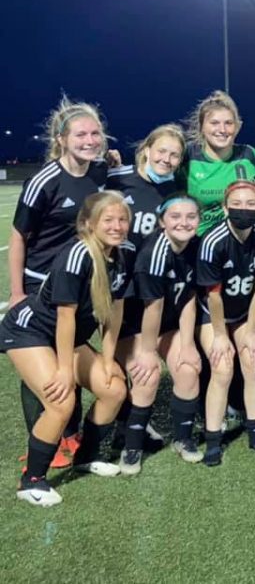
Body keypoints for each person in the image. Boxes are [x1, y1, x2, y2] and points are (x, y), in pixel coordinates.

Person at [2, 191, 132, 506]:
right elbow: (65, 318)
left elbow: (114, 314)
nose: (117, 226)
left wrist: (105, 358)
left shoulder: (122, 254)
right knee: (61, 401)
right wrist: (63, 370)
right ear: (88, 223)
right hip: (30, 330)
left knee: (113, 388)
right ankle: (31, 480)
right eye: (108, 220)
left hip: (63, 335)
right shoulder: (77, 255)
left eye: (122, 219)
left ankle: (87, 455)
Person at [9, 96, 111, 467]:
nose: (89, 140)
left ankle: (70, 436)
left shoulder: (100, 173)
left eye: (95, 133)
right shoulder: (45, 180)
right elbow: (19, 236)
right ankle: (43, 436)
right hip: (41, 286)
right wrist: (19, 292)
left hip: (81, 282)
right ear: (62, 139)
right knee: (42, 360)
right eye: (81, 134)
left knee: (71, 348)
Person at [114, 193, 204, 473]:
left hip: (169, 324)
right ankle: (132, 447)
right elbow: (152, 309)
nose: (184, 223)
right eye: (175, 217)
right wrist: (148, 352)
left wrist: (188, 344)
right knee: (147, 376)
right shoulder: (153, 255)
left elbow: (189, 297)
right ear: (162, 221)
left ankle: (183, 439)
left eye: (191, 217)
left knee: (188, 368)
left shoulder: (195, 246)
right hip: (133, 328)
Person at [197, 181, 255, 466]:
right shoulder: (213, 241)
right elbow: (213, 295)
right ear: (224, 206)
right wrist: (220, 335)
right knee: (222, 367)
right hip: (213, 314)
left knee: (254, 363)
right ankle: (213, 440)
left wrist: (253, 330)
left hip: (244, 313)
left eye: (251, 204)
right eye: (237, 204)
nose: (244, 209)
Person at [181, 90, 255, 236]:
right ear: (202, 126)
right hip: (197, 245)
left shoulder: (249, 155)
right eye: (214, 123)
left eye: (228, 123)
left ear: (237, 127)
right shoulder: (188, 156)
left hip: (244, 243)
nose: (222, 130)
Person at [106, 124, 185, 250]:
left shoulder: (179, 195)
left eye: (174, 155)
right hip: (113, 264)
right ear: (147, 150)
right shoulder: (116, 178)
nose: (166, 159)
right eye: (161, 151)